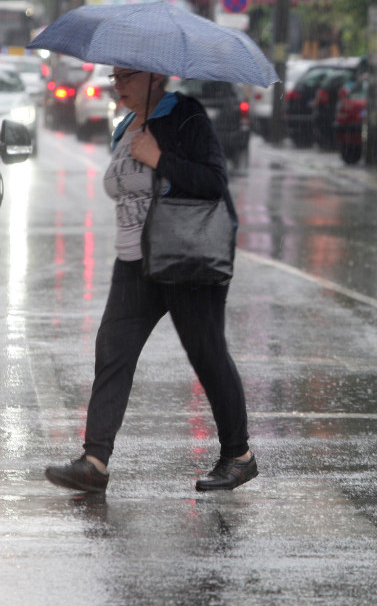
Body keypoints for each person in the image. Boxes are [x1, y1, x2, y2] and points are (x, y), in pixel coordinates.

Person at [45, 68, 257, 494]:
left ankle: (239, 456)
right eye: (114, 75)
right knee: (113, 352)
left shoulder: (185, 115)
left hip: (183, 257)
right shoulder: (126, 126)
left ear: (156, 77)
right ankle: (95, 462)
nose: (116, 83)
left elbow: (213, 181)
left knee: (207, 353)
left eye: (127, 76)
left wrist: (160, 159)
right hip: (134, 263)